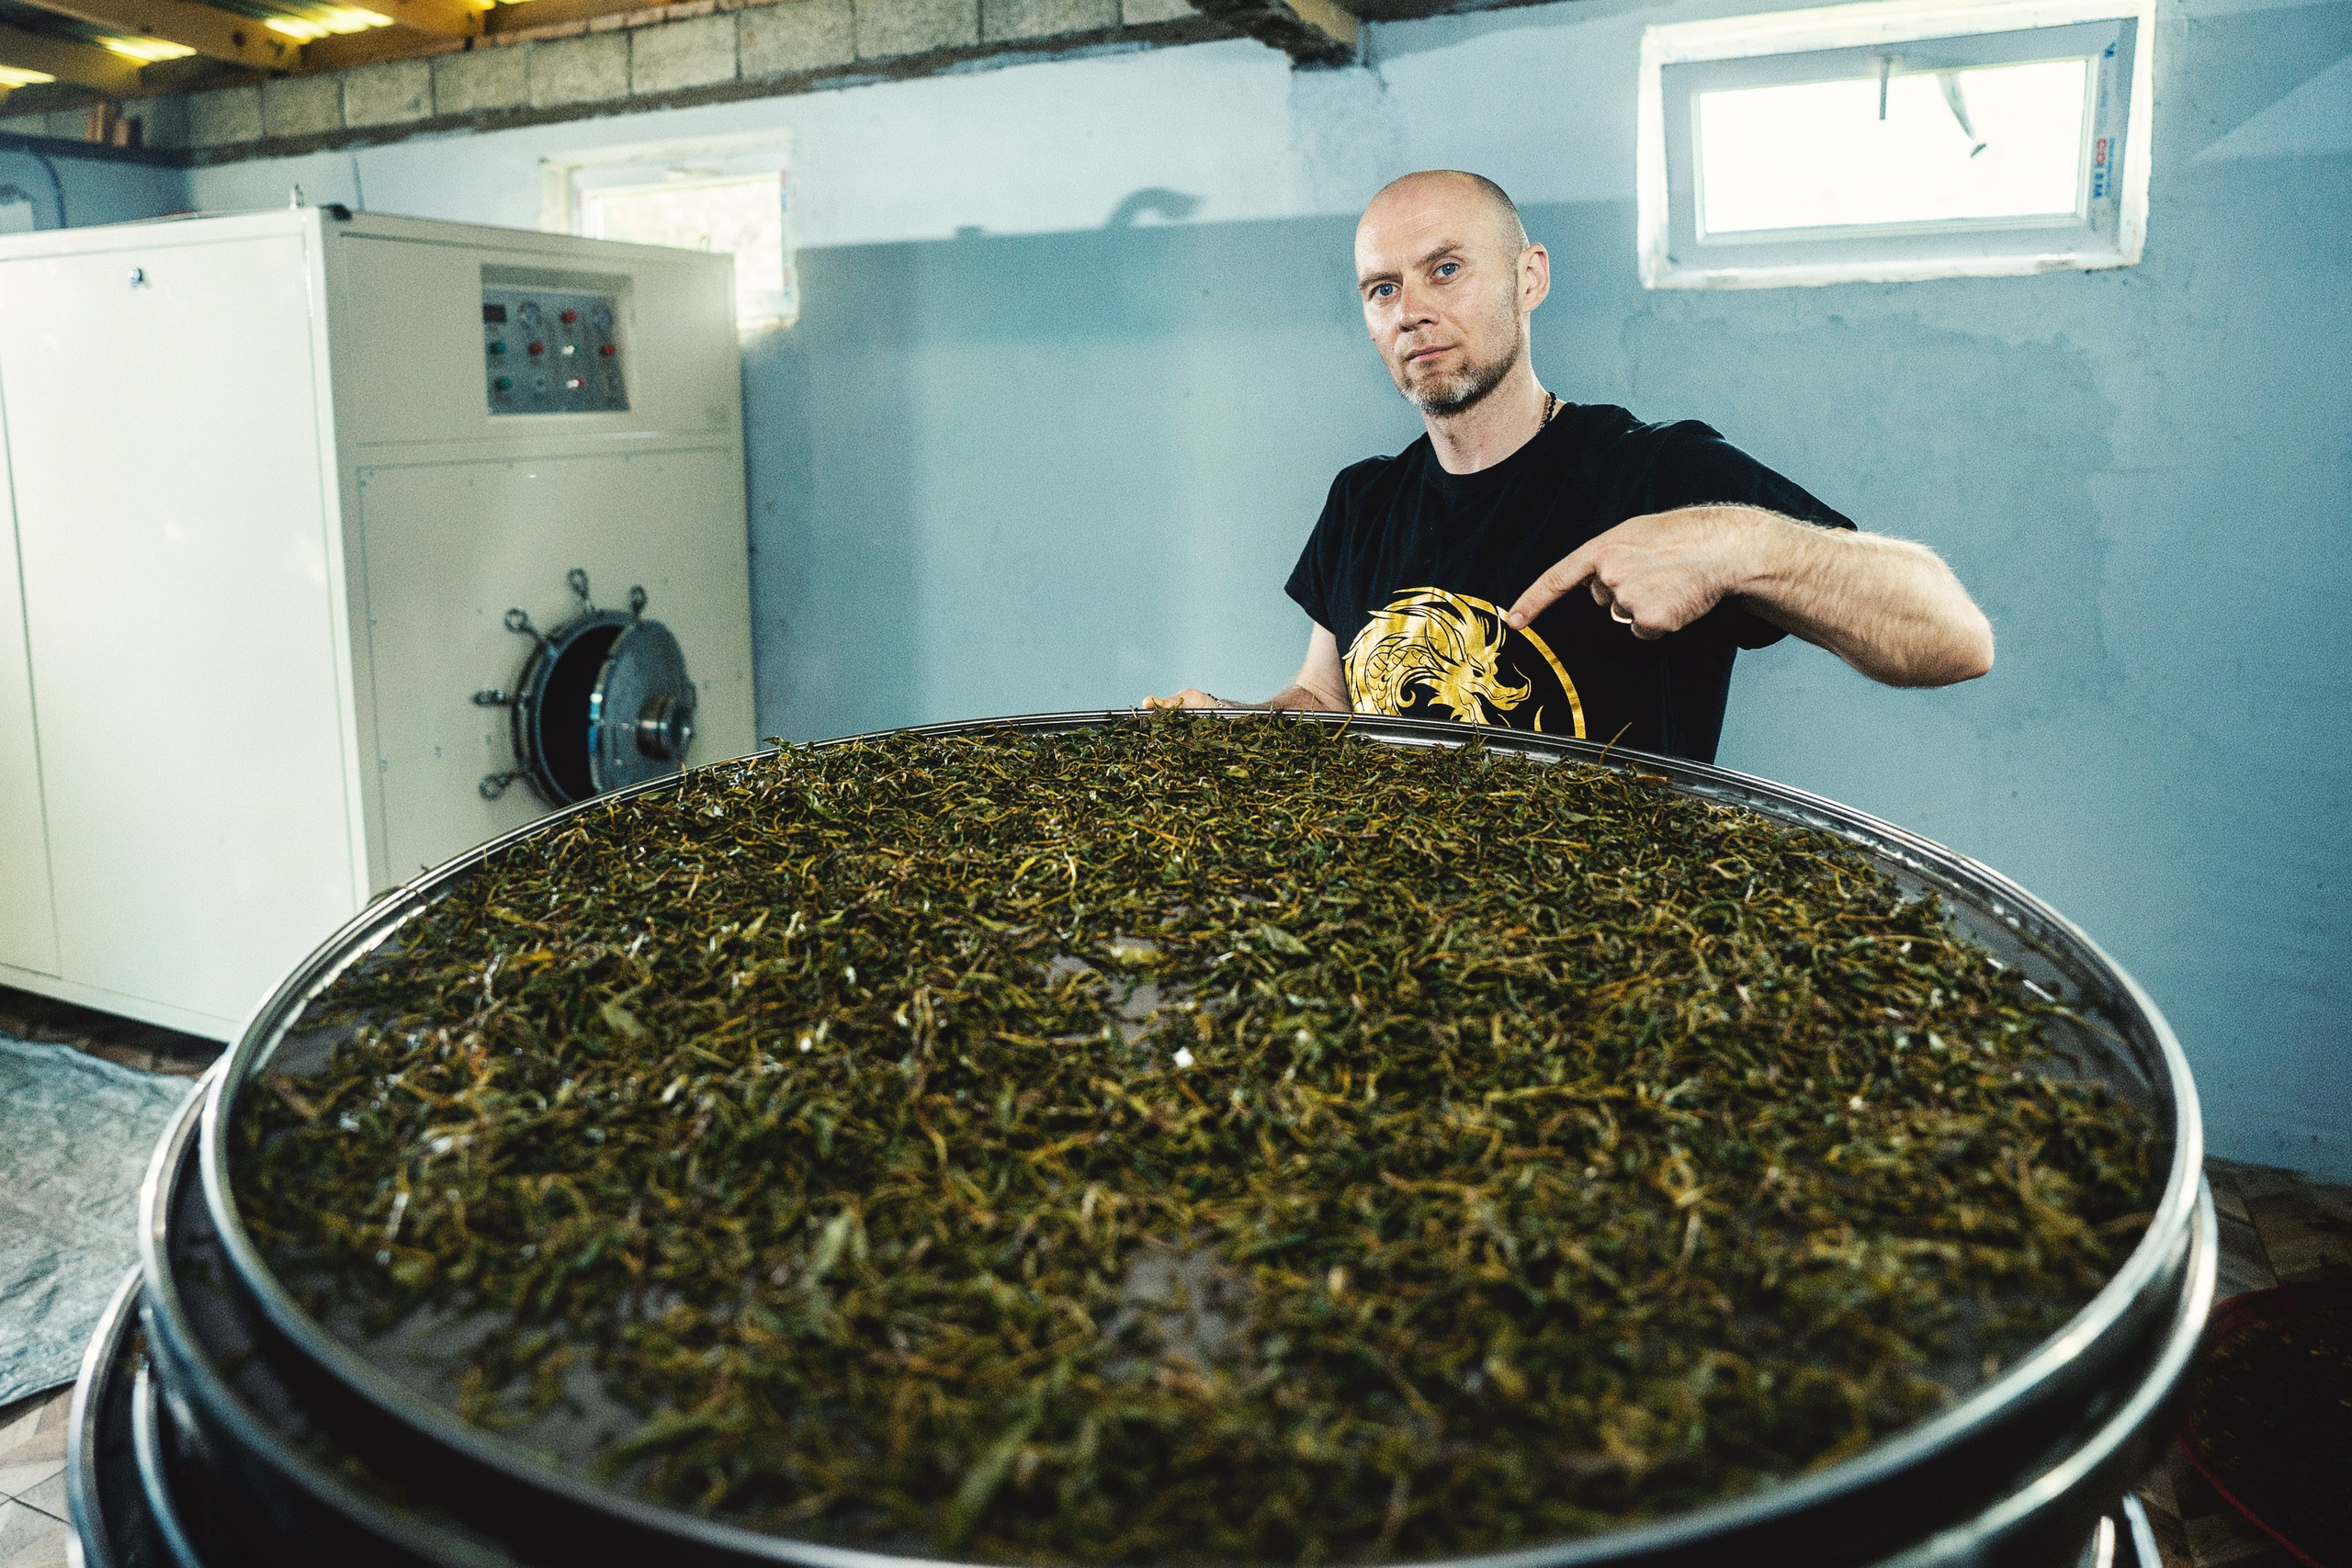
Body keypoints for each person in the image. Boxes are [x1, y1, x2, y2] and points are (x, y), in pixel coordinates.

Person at [1142, 170, 1994, 762]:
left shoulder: (1655, 474)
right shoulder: (1363, 498)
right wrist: (1236, 722)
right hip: (1397, 943)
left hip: (1597, 963)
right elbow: (1328, 704)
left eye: (1445, 269)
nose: (1413, 312)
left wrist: (1730, 543)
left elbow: (1954, 635)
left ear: (1529, 278)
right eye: (1383, 289)